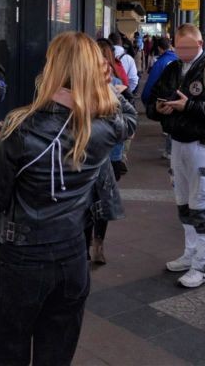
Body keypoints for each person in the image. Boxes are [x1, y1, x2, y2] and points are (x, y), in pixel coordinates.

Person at [0, 32, 137, 366]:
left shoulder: (19, 126)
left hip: (19, 260)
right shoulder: (106, 127)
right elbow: (130, 118)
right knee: (57, 355)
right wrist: (103, 87)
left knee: (6, 353)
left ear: (52, 68)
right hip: (71, 257)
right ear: (96, 71)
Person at [146, 24, 205, 287]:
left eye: (188, 47)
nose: (182, 52)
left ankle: (203, 265)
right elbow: (153, 99)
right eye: (179, 46)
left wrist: (189, 106)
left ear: (200, 44)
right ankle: (190, 254)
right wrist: (160, 109)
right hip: (178, 142)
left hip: (203, 145)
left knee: (201, 205)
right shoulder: (173, 68)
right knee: (184, 203)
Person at [85, 39, 133, 265]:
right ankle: (98, 243)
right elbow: (129, 120)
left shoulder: (78, 85)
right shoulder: (113, 82)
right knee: (103, 198)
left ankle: (87, 245)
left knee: (86, 199)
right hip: (111, 150)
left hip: (87, 150)